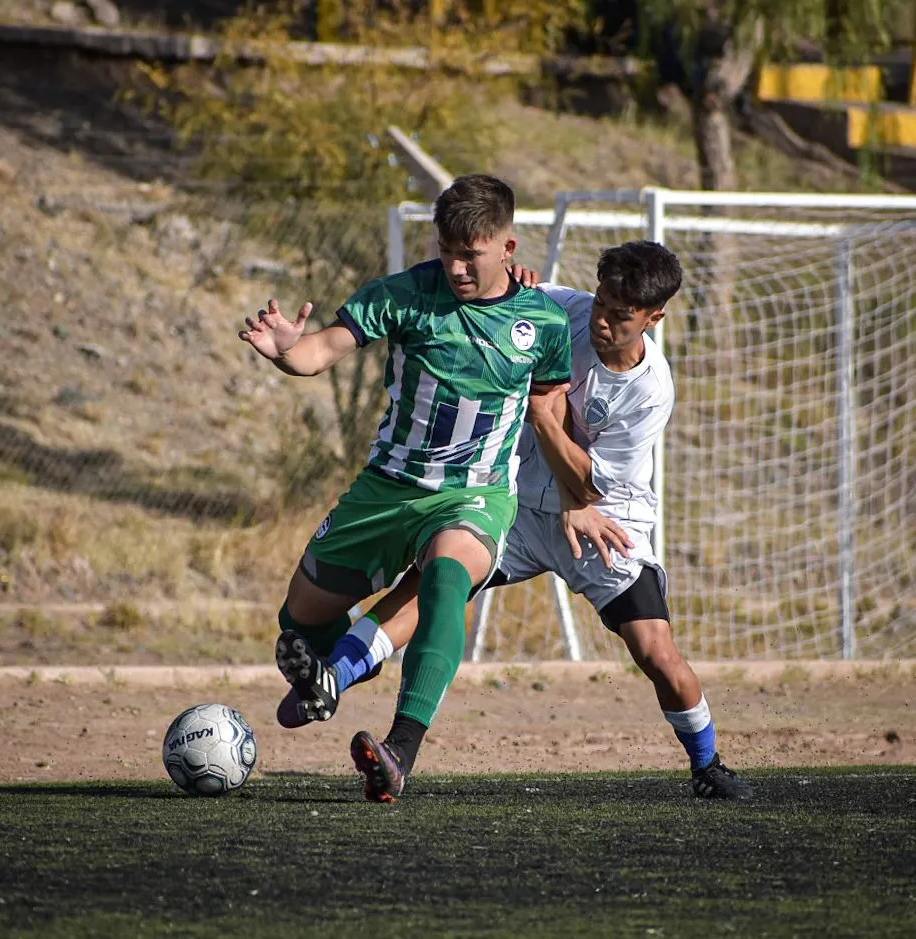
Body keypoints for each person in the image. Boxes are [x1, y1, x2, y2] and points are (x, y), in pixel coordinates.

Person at [280, 241, 754, 803]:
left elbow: (589, 486)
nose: (601, 321)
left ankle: (707, 763)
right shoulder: (565, 310)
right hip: (520, 506)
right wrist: (513, 276)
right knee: (437, 582)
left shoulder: (650, 392)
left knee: (656, 653)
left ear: (655, 318)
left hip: (605, 522)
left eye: (620, 316)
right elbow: (509, 300)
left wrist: (545, 422)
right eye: (601, 303)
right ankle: (340, 683)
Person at [239, 174, 574, 801]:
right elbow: (319, 353)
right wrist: (287, 351)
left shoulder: (544, 321)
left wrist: (577, 500)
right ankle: (323, 675)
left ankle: (399, 751)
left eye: (470, 253)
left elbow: (550, 412)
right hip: (388, 487)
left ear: (508, 247)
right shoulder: (405, 294)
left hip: (474, 495)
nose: (455, 266)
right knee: (299, 618)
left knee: (449, 579)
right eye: (446, 249)